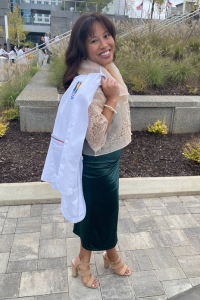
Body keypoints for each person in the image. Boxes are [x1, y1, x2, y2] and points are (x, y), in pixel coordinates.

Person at [62, 13, 132, 289]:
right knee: (98, 213)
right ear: (82, 47)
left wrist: (113, 94)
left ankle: (108, 256)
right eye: (94, 39)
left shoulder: (104, 67)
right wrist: (112, 98)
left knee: (101, 211)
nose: (105, 44)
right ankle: (86, 261)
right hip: (97, 161)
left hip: (109, 159)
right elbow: (96, 136)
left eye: (107, 35)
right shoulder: (86, 81)